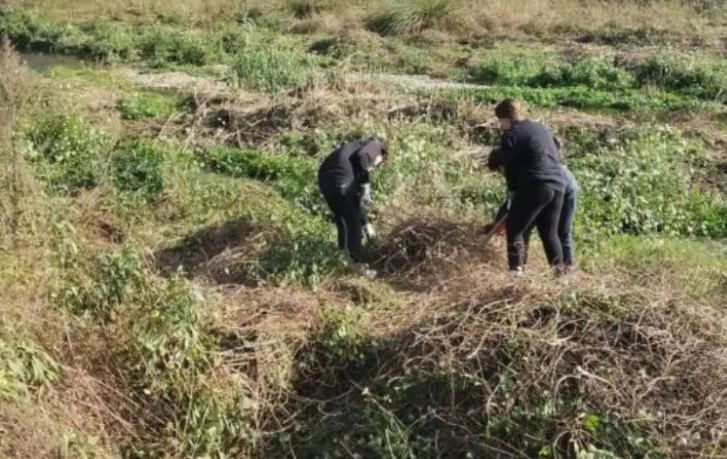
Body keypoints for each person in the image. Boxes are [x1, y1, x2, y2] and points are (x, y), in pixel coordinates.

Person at [494, 99, 566, 276]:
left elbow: (510, 168)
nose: (501, 125)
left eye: (500, 121)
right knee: (549, 232)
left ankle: (515, 275)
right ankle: (561, 276)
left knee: (515, 228)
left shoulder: (510, 135)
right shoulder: (541, 129)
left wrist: (512, 193)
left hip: (536, 184)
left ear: (505, 118)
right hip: (558, 183)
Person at [484, 147, 579, 271]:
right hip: (549, 186)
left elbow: (514, 200)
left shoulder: (523, 168)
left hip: (563, 186)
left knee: (561, 230)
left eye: (499, 171)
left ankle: (565, 269)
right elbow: (511, 201)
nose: (501, 175)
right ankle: (522, 265)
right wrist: (498, 222)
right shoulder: (520, 166)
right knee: (527, 228)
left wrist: (502, 221)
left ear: (502, 166)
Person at [318, 135, 388, 275]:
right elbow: (363, 156)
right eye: (378, 163)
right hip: (338, 178)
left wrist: (366, 224)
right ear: (382, 154)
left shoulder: (352, 161)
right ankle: (354, 265)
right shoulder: (375, 145)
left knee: (344, 219)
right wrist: (365, 184)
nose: (374, 167)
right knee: (352, 223)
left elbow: (354, 203)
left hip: (328, 179)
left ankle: (343, 262)